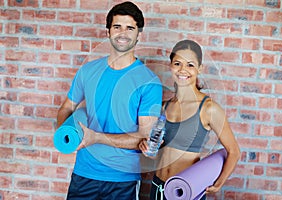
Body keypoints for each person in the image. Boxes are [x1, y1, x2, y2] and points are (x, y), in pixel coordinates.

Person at [56, 1, 162, 199]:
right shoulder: (88, 71)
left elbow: (143, 137)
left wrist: (95, 137)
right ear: (108, 32)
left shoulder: (148, 81)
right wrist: (66, 135)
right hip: (84, 174)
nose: (123, 33)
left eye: (130, 28)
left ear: (139, 34)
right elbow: (65, 109)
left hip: (123, 179)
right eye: (117, 26)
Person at [139, 40, 241, 200]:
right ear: (170, 66)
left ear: (200, 68)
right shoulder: (165, 107)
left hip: (184, 192)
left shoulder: (208, 108)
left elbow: (234, 151)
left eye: (190, 65)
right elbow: (162, 152)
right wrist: (149, 150)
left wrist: (219, 182)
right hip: (158, 187)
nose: (183, 70)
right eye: (177, 63)